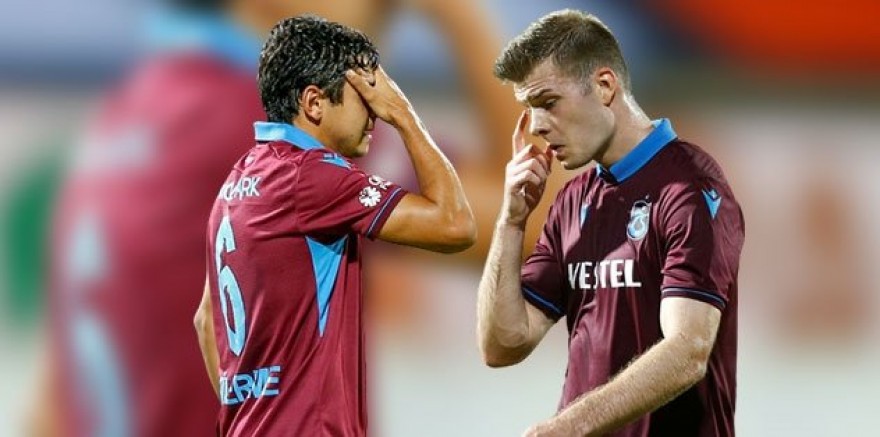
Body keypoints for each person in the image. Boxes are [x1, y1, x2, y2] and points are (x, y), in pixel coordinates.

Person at [193, 15, 475, 436]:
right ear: (314, 103)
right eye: (365, 97)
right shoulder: (312, 176)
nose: (375, 113)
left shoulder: (237, 183)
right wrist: (404, 115)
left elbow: (205, 321)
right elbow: (455, 225)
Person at [476, 10, 744, 437]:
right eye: (529, 109)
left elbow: (688, 350)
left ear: (604, 86)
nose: (538, 126)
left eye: (548, 103)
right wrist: (511, 221)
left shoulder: (690, 187)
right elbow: (503, 344)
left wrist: (569, 427)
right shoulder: (573, 200)